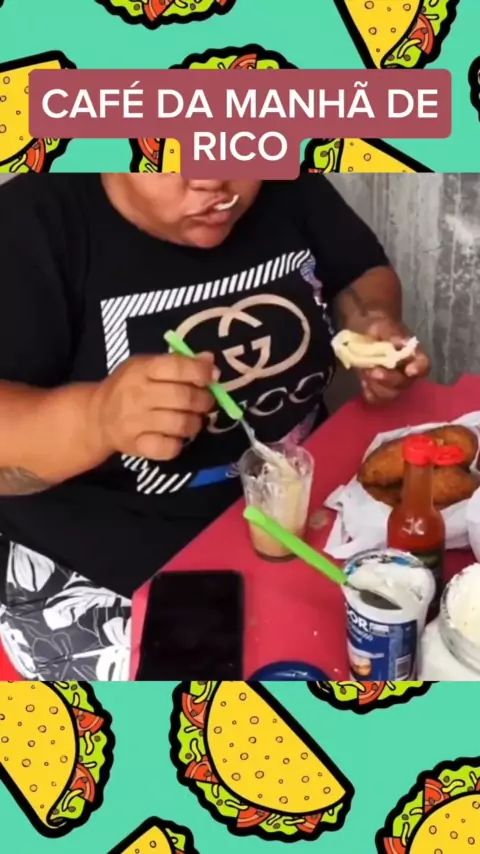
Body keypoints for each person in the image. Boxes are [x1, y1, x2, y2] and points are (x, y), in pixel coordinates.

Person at [0, 173, 430, 681]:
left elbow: (357, 272)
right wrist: (96, 419)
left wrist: (371, 324)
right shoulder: (32, 222)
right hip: (114, 574)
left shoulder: (285, 181)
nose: (212, 178)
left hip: (317, 517)